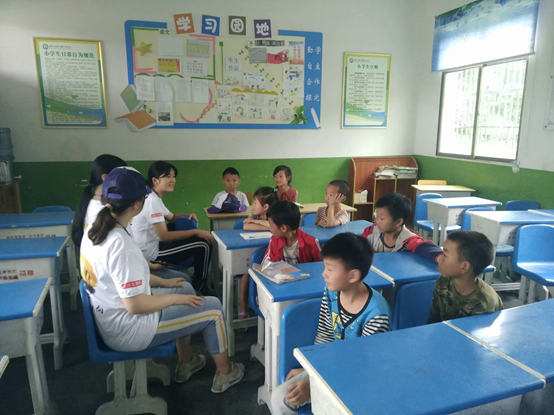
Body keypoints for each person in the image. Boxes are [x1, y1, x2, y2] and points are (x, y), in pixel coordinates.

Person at [80, 167, 244, 393]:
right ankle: (226, 373)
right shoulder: (120, 244)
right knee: (214, 309)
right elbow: (135, 305)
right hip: (130, 330)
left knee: (184, 286)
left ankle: (187, 361)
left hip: (112, 318)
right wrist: (173, 299)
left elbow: (124, 276)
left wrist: (166, 284)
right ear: (137, 205)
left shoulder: (97, 228)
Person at [271, 233, 390, 413]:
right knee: (280, 398)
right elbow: (325, 334)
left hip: (358, 379)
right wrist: (310, 369)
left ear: (352, 275)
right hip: (330, 367)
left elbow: (364, 367)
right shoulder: (332, 292)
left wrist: (312, 384)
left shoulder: (376, 314)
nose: (323, 274)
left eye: (330, 269)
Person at [132, 161, 214, 294]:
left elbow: (172, 217)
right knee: (203, 244)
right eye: (168, 177)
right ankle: (200, 284)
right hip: (150, 253)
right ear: (155, 180)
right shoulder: (152, 201)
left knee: (176, 227)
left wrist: (187, 215)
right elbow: (164, 235)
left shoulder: (153, 196)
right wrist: (196, 231)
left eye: (173, 176)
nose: (172, 180)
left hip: (152, 244)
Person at [427, 230, 503, 324]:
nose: (439, 259)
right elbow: (433, 322)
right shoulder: (443, 282)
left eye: (445, 255)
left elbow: (475, 333)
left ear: (464, 267)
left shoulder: (485, 303)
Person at [362, 192, 443, 262]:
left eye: (382, 218)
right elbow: (358, 247)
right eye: (377, 217)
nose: (377, 221)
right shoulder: (370, 232)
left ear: (398, 222)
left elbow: (425, 248)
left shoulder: (408, 240)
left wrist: (441, 258)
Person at [239, 187, 279, 320]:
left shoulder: (276, 214)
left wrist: (257, 222)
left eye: (255, 202)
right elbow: (246, 225)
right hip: (255, 254)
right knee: (246, 275)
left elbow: (275, 226)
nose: (253, 205)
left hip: (273, 261)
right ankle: (243, 310)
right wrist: (268, 225)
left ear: (265, 207)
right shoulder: (254, 213)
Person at [71, 154, 126, 247]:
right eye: (121, 177)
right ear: (105, 178)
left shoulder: (91, 203)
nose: (125, 182)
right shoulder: (103, 211)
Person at [263, 201, 320, 266]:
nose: (270, 229)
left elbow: (321, 266)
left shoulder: (311, 243)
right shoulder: (274, 241)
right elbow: (267, 266)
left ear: (283, 228)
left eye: (271, 225)